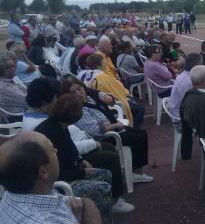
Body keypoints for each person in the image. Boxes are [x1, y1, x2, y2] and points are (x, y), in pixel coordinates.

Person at [24, 78, 135, 214]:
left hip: (73, 160)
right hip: (60, 178)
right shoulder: (45, 130)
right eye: (56, 98)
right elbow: (56, 168)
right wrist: (90, 149)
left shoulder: (53, 122)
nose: (58, 101)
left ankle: (110, 202)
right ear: (44, 102)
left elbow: (68, 148)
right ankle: (106, 207)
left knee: (107, 158)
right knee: (108, 159)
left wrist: (80, 160)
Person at [35, 95, 114, 223]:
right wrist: (81, 173)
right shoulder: (53, 133)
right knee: (102, 187)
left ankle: (103, 211)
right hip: (55, 185)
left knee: (106, 174)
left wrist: (80, 160)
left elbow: (71, 150)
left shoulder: (60, 126)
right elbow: (57, 173)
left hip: (68, 172)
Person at [62, 76, 153, 184]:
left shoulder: (91, 96)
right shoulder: (78, 108)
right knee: (137, 139)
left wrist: (107, 96)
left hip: (113, 127)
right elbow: (94, 130)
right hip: (104, 136)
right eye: (73, 92)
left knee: (142, 133)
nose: (79, 93)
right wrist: (115, 125)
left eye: (80, 88)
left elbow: (108, 99)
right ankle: (135, 174)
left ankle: (136, 172)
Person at [0, 131, 102, 224]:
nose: (56, 150)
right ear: (43, 171)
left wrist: (88, 204)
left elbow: (84, 202)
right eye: (52, 148)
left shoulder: (11, 195)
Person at [84, 53, 145, 128]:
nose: (106, 64)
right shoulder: (103, 77)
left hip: (100, 103)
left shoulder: (87, 75)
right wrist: (127, 93)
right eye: (104, 63)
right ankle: (133, 128)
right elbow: (118, 93)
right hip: (111, 103)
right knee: (140, 108)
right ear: (99, 65)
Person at [168, 53, 202, 119]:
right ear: (196, 65)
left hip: (178, 108)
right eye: (201, 64)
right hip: (179, 114)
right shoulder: (188, 80)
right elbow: (189, 103)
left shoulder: (185, 74)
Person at [0, 52, 28, 122]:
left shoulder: (9, 81)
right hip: (20, 116)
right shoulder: (4, 87)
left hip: (24, 111)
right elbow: (27, 101)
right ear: (5, 71)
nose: (15, 67)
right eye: (13, 66)